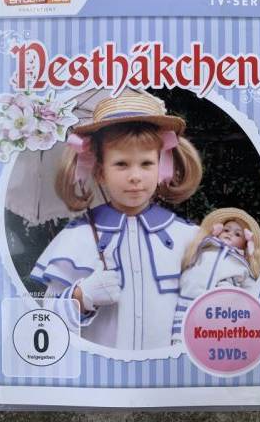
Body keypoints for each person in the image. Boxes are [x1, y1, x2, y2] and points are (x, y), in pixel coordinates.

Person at [30, 90, 203, 350]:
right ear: (100, 172)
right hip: (100, 371)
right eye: (121, 164)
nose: (135, 176)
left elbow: (211, 302)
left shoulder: (187, 238)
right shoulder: (77, 239)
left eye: (146, 163)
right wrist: (81, 296)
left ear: (161, 166)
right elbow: (47, 320)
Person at [170, 208, 260, 343]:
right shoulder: (204, 249)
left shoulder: (241, 265)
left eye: (237, 234)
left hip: (217, 311)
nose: (230, 234)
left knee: (210, 339)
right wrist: (211, 234)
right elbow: (187, 262)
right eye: (226, 230)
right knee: (181, 334)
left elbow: (252, 290)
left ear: (245, 244)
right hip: (188, 299)